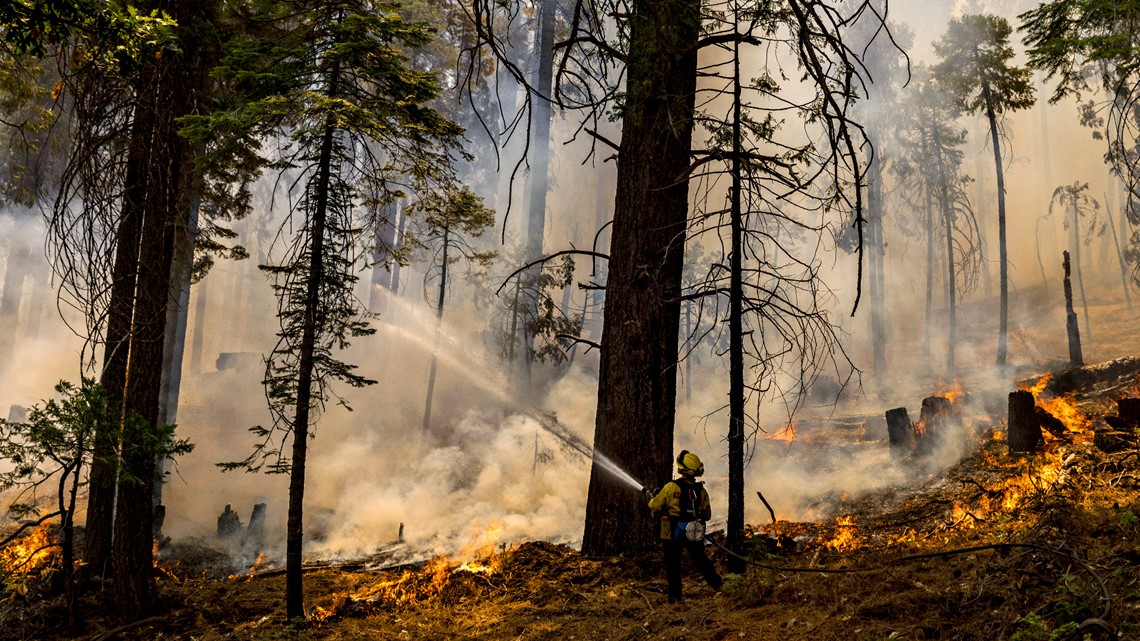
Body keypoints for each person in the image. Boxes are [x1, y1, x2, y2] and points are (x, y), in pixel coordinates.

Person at [646, 450, 723, 602]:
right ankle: (719, 585)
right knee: (701, 559)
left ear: (682, 469)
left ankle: (675, 597)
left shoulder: (671, 487)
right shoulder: (701, 490)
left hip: (673, 532)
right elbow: (707, 515)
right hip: (695, 532)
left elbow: (654, 505)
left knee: (673, 563)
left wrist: (653, 498)